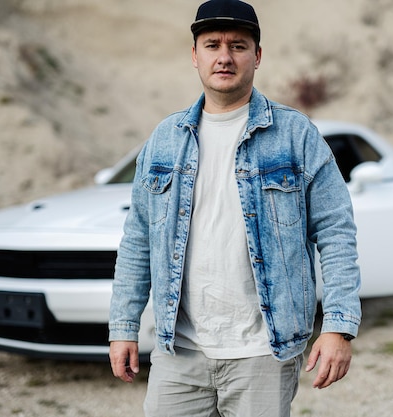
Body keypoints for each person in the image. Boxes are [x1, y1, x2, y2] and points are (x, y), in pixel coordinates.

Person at [108, 0, 362, 415]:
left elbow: (335, 232)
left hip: (264, 351)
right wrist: (123, 327)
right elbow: (137, 239)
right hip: (180, 351)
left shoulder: (295, 135)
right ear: (195, 55)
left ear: (257, 56)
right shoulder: (165, 139)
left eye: (238, 46)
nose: (224, 56)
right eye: (212, 45)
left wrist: (338, 327)